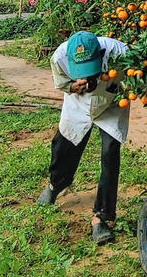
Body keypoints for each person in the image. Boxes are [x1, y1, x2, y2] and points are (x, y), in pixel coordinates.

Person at [36, 30, 130, 245]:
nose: (88, 76)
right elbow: (61, 82)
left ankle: (102, 217)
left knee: (109, 153)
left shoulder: (121, 53)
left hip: (111, 103)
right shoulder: (60, 56)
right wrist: (73, 86)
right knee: (63, 144)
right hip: (78, 103)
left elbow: (142, 80)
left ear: (102, 53)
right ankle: (55, 185)